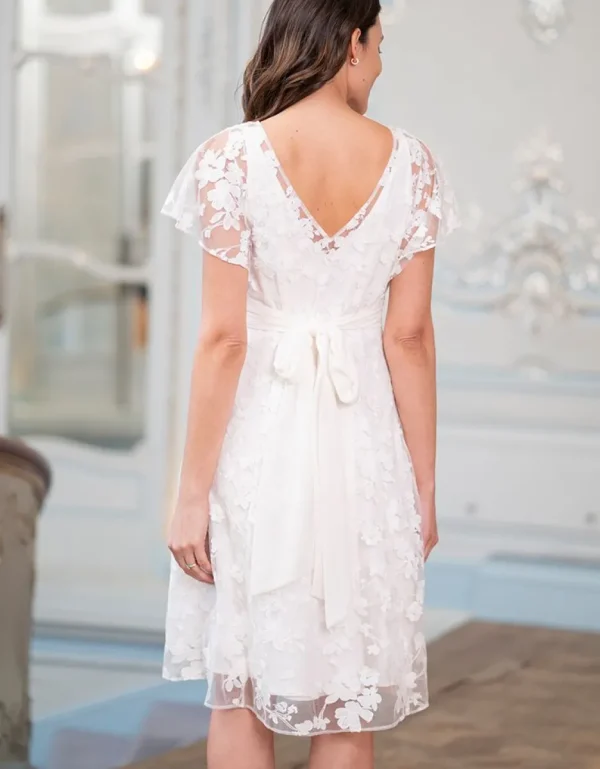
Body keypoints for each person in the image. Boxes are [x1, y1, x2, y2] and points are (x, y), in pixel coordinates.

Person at [161, 0, 459, 766]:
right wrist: (423, 487)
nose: (380, 66)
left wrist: (190, 494)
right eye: (380, 45)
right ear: (351, 41)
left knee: (240, 687)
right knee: (346, 697)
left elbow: (224, 339)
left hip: (258, 447)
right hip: (365, 452)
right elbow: (409, 337)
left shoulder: (231, 159)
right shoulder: (413, 164)